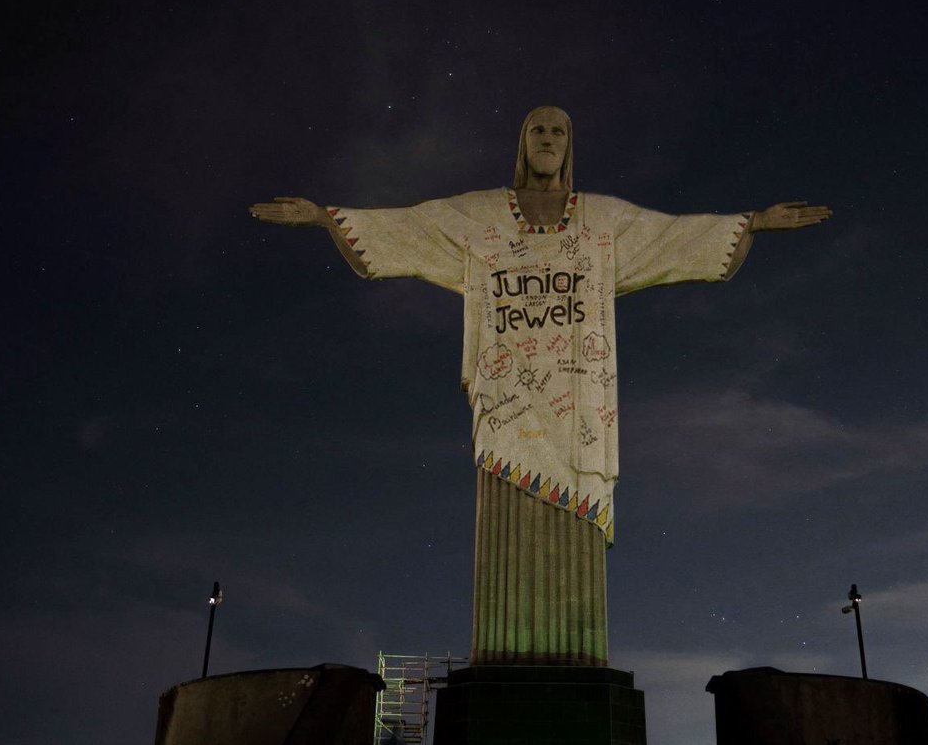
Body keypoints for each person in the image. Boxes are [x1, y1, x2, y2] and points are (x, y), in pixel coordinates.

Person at [250, 106, 831, 665]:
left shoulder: (604, 221)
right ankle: (503, 653)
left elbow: (672, 236)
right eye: (538, 130)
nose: (548, 139)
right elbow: (411, 225)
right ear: (523, 143)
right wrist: (324, 216)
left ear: (569, 146)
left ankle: (574, 657)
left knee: (574, 531)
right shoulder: (480, 216)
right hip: (509, 403)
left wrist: (754, 222)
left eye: (558, 131)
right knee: (505, 526)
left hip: (580, 408)